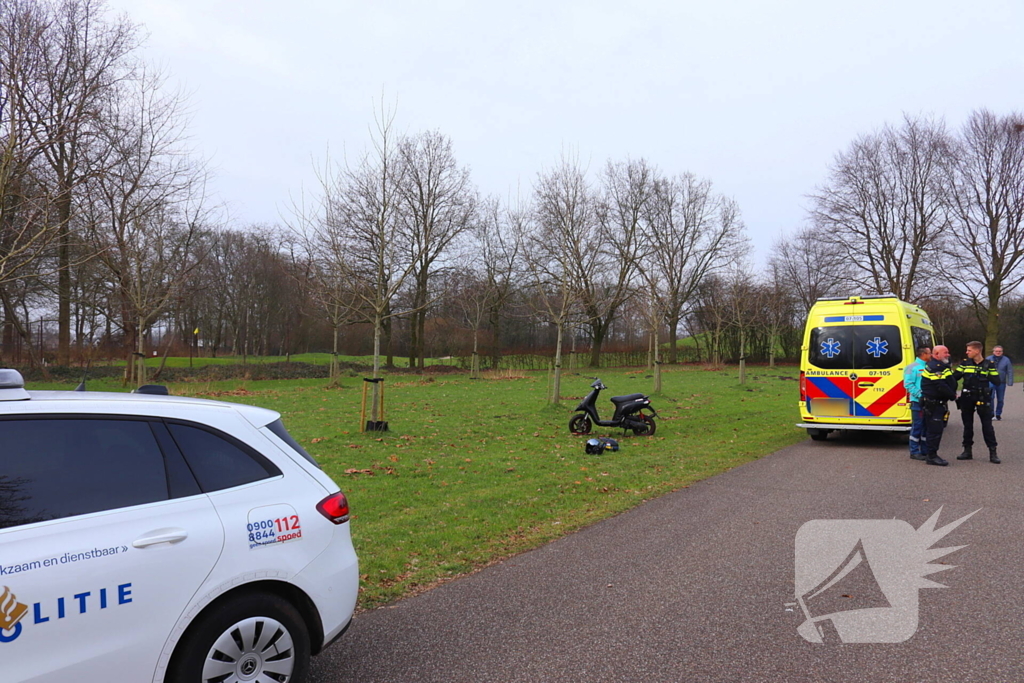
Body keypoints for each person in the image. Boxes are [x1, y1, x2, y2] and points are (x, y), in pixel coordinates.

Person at [955, 341, 1001, 463]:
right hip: (967, 397)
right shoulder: (965, 363)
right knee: (967, 425)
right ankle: (967, 451)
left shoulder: (989, 364)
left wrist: (986, 373)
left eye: (969, 350)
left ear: (977, 351)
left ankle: (993, 452)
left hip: (982, 398)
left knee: (987, 426)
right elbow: (954, 377)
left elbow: (997, 381)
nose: (967, 352)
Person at [919, 344, 957, 466]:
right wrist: (953, 396)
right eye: (945, 353)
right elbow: (941, 386)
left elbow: (950, 381)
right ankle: (931, 456)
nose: (948, 355)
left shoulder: (941, 366)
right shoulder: (935, 367)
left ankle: (931, 454)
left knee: (936, 430)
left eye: (948, 352)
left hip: (938, 404)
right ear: (936, 354)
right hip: (933, 404)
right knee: (934, 431)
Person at [903, 346, 932, 460]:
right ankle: (914, 451)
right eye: (929, 353)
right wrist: (921, 395)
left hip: (928, 402)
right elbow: (908, 384)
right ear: (923, 354)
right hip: (917, 402)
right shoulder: (911, 367)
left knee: (926, 427)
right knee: (917, 427)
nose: (931, 355)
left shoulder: (929, 366)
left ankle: (924, 450)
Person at [986, 345, 1013, 420]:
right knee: (990, 397)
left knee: (1000, 399)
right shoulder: (988, 359)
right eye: (996, 351)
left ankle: (998, 414)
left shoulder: (1006, 360)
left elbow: (1010, 371)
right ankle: (991, 414)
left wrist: (1010, 381)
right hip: (991, 381)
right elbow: (984, 369)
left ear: (1002, 352)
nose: (998, 352)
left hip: (1001, 382)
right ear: (993, 352)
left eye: (999, 351)